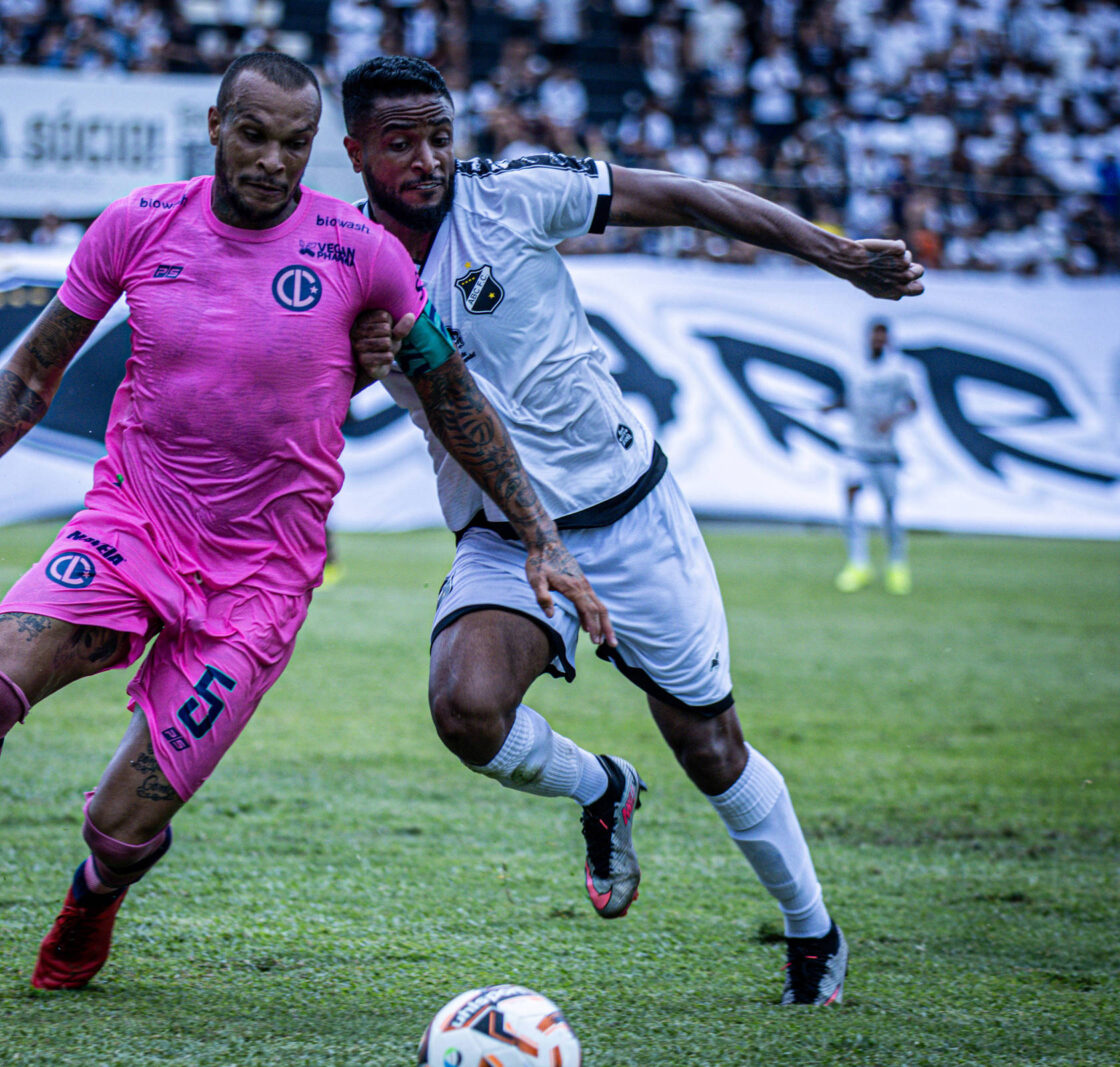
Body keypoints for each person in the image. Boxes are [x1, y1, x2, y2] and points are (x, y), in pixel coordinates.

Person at [0, 52, 604, 991]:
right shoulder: (140, 222)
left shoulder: (363, 254)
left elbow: (452, 393)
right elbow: (35, 366)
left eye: (295, 143)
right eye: (254, 135)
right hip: (133, 526)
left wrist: (541, 535)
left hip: (260, 582)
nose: (273, 160)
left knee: (120, 823)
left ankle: (93, 897)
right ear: (214, 126)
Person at [339, 56, 925, 1006]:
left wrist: (839, 254)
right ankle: (602, 788)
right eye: (400, 143)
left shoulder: (514, 194)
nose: (428, 159)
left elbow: (687, 198)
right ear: (356, 152)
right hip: (505, 536)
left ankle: (812, 926)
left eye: (439, 135)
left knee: (711, 749)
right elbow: (309, 392)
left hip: (630, 514)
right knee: (466, 707)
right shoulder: (343, 263)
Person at [825, 319, 917, 595]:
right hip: (856, 449)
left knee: (889, 510)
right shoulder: (855, 368)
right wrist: (832, 407)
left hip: (884, 452)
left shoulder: (898, 372)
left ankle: (897, 565)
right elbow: (851, 399)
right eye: (874, 336)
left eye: (882, 337)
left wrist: (892, 420)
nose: (877, 341)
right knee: (852, 501)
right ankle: (858, 564)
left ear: (887, 340)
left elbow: (912, 404)